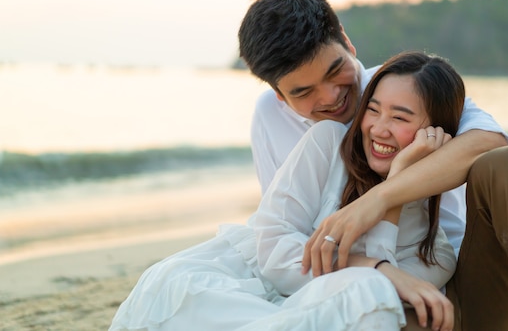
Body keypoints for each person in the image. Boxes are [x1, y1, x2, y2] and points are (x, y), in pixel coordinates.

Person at [238, 0, 508, 330]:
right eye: (303, 92)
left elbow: (491, 142)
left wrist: (382, 196)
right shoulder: (272, 120)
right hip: (368, 306)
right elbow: (286, 244)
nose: (329, 97)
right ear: (280, 97)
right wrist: (382, 270)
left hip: (467, 285)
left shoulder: (404, 89)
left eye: (336, 71)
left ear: (347, 42)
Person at [109, 51, 461, 331]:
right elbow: (275, 253)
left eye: (400, 118)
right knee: (185, 291)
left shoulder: (436, 256)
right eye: (372, 110)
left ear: (437, 136)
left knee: (370, 291)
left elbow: (376, 301)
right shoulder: (328, 141)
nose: (378, 129)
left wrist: (396, 188)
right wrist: (379, 267)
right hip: (239, 284)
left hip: (298, 308)